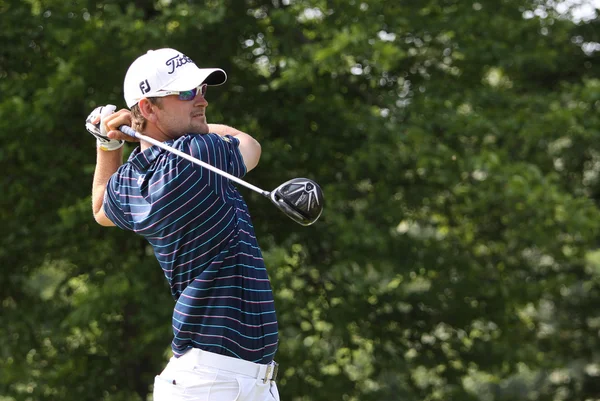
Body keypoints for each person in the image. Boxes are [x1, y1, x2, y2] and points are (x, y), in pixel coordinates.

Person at [85, 48, 280, 401]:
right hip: (214, 382)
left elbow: (100, 209)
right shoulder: (197, 154)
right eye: (187, 93)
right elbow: (249, 143)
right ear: (147, 107)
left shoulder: (135, 177)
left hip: (223, 379)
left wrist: (107, 144)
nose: (202, 101)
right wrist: (135, 137)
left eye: (202, 90)